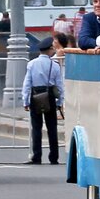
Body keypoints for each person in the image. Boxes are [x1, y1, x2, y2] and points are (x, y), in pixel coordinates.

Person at [22, 36, 64, 165]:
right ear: (50, 50)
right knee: (52, 128)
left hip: (35, 96)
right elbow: (60, 86)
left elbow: (27, 83)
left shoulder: (32, 63)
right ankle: (54, 157)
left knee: (36, 127)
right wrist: (59, 102)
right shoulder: (54, 65)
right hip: (49, 96)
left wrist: (26, 101)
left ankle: (37, 156)